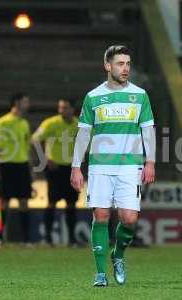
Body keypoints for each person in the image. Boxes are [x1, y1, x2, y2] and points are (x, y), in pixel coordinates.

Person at [70, 45, 156, 287]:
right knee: (101, 215)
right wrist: (76, 166)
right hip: (100, 167)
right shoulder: (93, 97)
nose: (125, 68)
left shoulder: (140, 95)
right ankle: (100, 273)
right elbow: (83, 134)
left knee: (129, 219)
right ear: (108, 66)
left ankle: (117, 255)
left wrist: (151, 161)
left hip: (131, 166)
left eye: (128, 64)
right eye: (120, 64)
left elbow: (148, 130)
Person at [32, 99, 79, 246]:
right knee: (51, 202)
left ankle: (72, 239)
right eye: (60, 107)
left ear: (72, 109)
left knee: (71, 203)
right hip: (55, 168)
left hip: (71, 169)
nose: (61, 110)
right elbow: (34, 139)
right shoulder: (50, 123)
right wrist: (44, 159)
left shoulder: (79, 124)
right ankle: (47, 238)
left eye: (64, 107)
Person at [0, 93, 32, 245]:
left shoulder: (25, 123)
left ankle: (26, 239)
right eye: (25, 102)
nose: (28, 104)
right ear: (16, 103)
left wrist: (31, 169)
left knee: (24, 202)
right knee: (4, 201)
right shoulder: (2, 122)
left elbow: (27, 148)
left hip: (22, 165)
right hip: (7, 164)